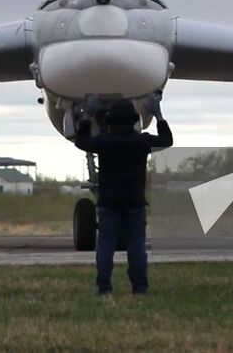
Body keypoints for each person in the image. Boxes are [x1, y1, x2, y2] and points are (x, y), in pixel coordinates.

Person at [73, 93, 173, 296]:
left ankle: (104, 288)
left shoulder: (104, 142)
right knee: (136, 246)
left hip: (109, 203)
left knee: (105, 246)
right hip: (134, 202)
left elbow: (81, 141)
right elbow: (167, 140)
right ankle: (140, 287)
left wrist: (88, 116)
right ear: (134, 120)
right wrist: (158, 116)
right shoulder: (141, 142)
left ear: (110, 121)